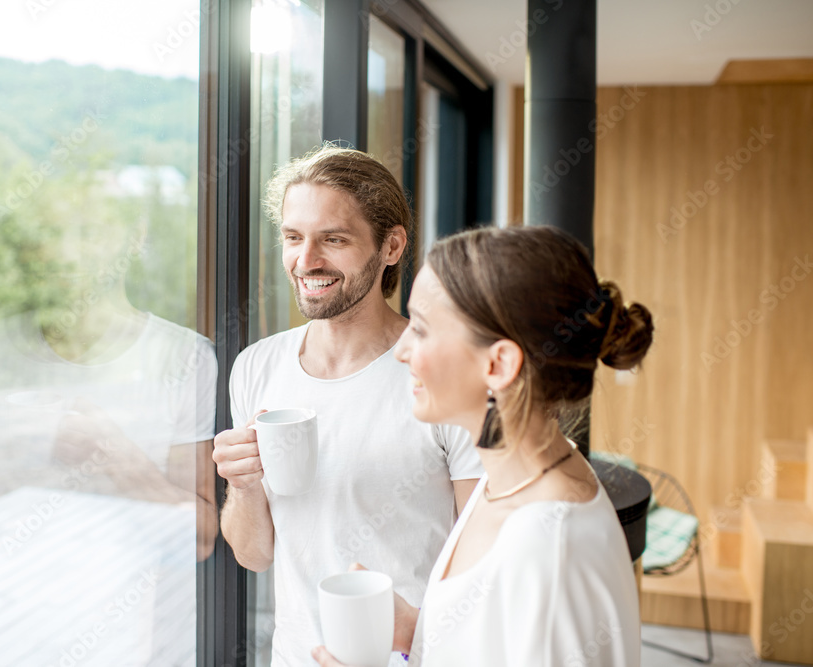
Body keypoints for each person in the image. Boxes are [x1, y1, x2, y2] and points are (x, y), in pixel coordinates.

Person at [312, 225, 652, 666]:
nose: (401, 350)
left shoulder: (549, 546)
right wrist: (416, 632)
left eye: (422, 329)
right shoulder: (512, 478)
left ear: (499, 364)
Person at [212, 145, 484, 666]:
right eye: (293, 237)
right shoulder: (255, 367)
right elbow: (255, 554)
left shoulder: (438, 374)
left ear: (391, 246)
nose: (306, 261)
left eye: (333, 239)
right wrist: (242, 485)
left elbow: (482, 564)